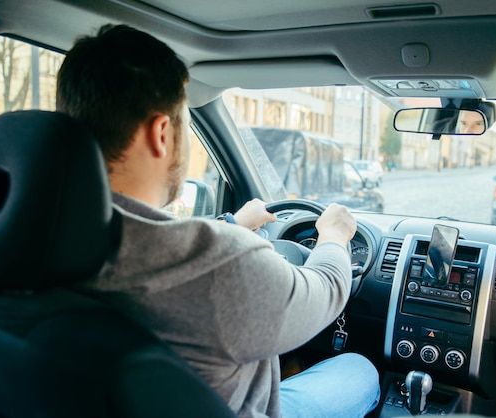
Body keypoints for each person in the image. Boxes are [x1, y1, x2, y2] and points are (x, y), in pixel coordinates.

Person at [56, 24, 380, 418]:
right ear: (162, 132)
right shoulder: (222, 264)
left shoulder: (22, 240)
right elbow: (325, 291)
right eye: (184, 122)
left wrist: (231, 226)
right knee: (359, 369)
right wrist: (334, 238)